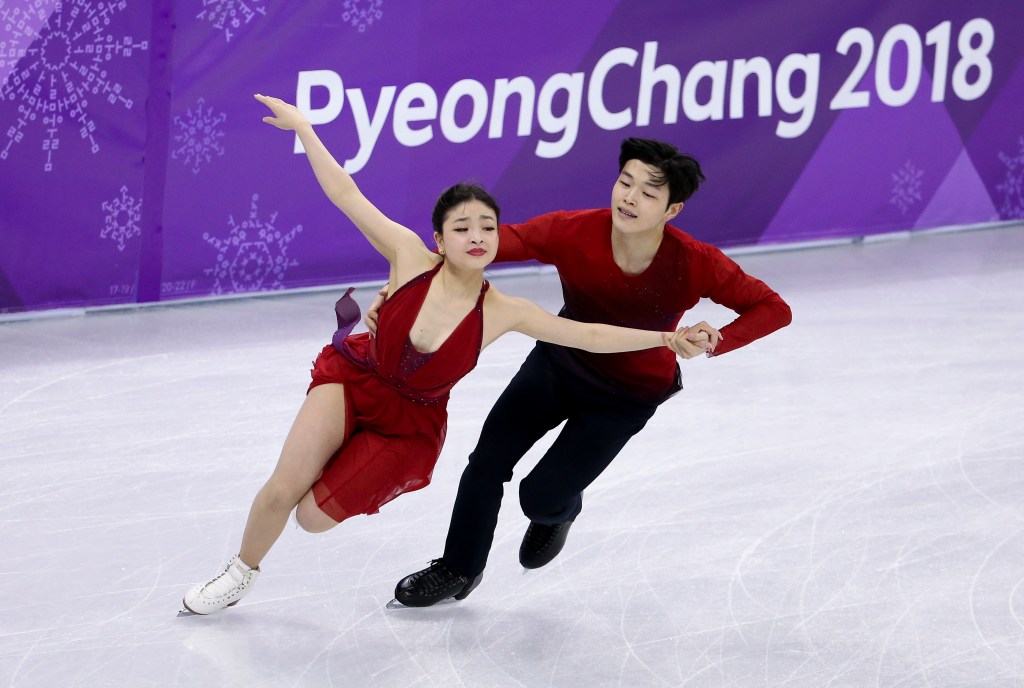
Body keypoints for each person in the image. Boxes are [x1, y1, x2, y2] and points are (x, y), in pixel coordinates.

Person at [181, 96, 708, 615]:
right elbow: (345, 191)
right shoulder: (408, 255)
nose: (477, 237)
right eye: (462, 228)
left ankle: (358, 465)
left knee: (311, 518)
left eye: (487, 228)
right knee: (282, 490)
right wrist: (303, 128)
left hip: (407, 424)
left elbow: (589, 336)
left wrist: (663, 339)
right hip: (356, 377)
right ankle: (238, 574)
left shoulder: (505, 309)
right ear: (439, 238)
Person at [384, 137, 793, 608]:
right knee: (486, 463)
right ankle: (458, 568)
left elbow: (772, 308)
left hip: (625, 397)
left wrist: (717, 337)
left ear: (672, 209)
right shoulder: (573, 230)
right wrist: (417, 278)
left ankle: (560, 509)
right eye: (625, 183)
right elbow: (495, 244)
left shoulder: (694, 262)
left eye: (648, 193)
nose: (629, 198)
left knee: (539, 498)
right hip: (558, 364)